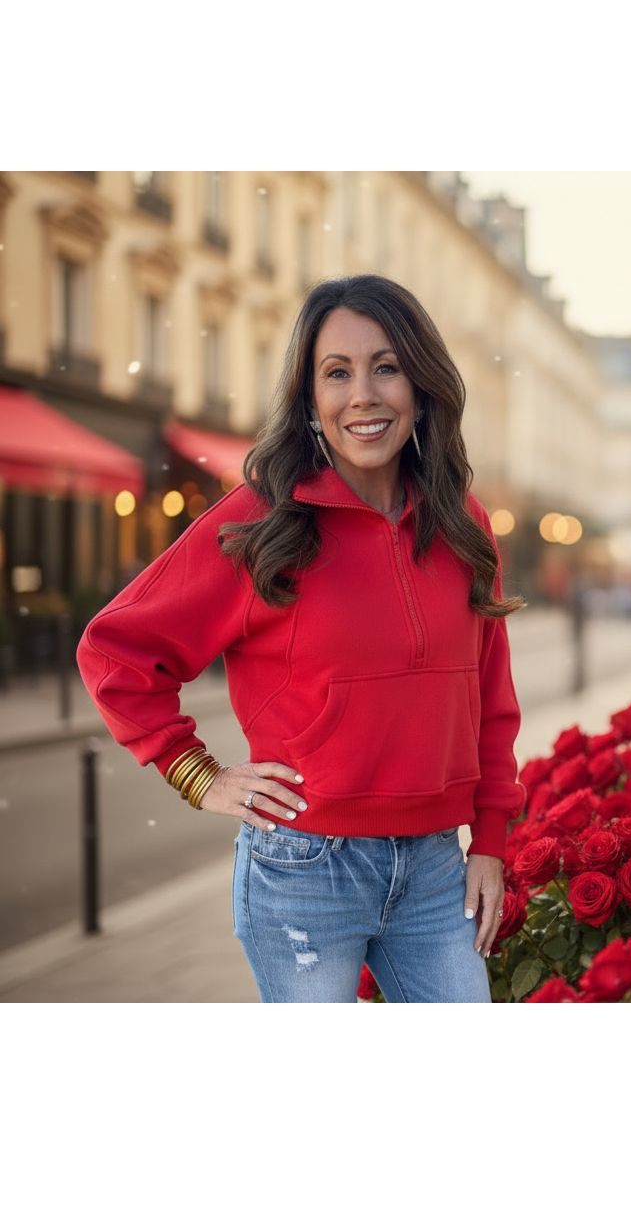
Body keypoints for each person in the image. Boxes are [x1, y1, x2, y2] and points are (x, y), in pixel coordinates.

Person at [77, 274, 527, 1003]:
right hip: (303, 870)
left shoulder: (461, 519)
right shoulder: (264, 520)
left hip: (437, 868)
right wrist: (197, 773)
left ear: (421, 381)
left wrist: (494, 844)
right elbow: (114, 650)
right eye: (337, 373)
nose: (364, 396)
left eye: (387, 366)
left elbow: (491, 695)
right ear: (310, 399)